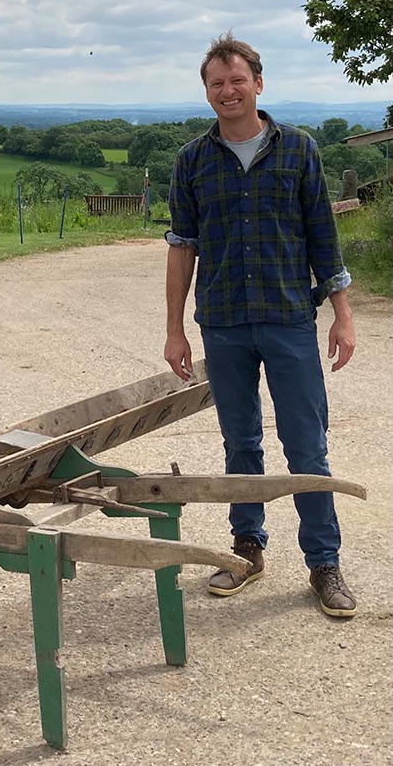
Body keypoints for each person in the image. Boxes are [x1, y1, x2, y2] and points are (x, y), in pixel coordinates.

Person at [163, 33, 357, 618]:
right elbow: (182, 248)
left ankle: (324, 563)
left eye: (237, 80)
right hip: (223, 323)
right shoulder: (192, 161)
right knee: (239, 442)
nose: (228, 91)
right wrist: (175, 329)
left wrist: (342, 314)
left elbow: (323, 235)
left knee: (306, 445)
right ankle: (247, 548)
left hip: (290, 318)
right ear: (207, 92)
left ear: (258, 84)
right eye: (217, 83)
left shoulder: (298, 150)